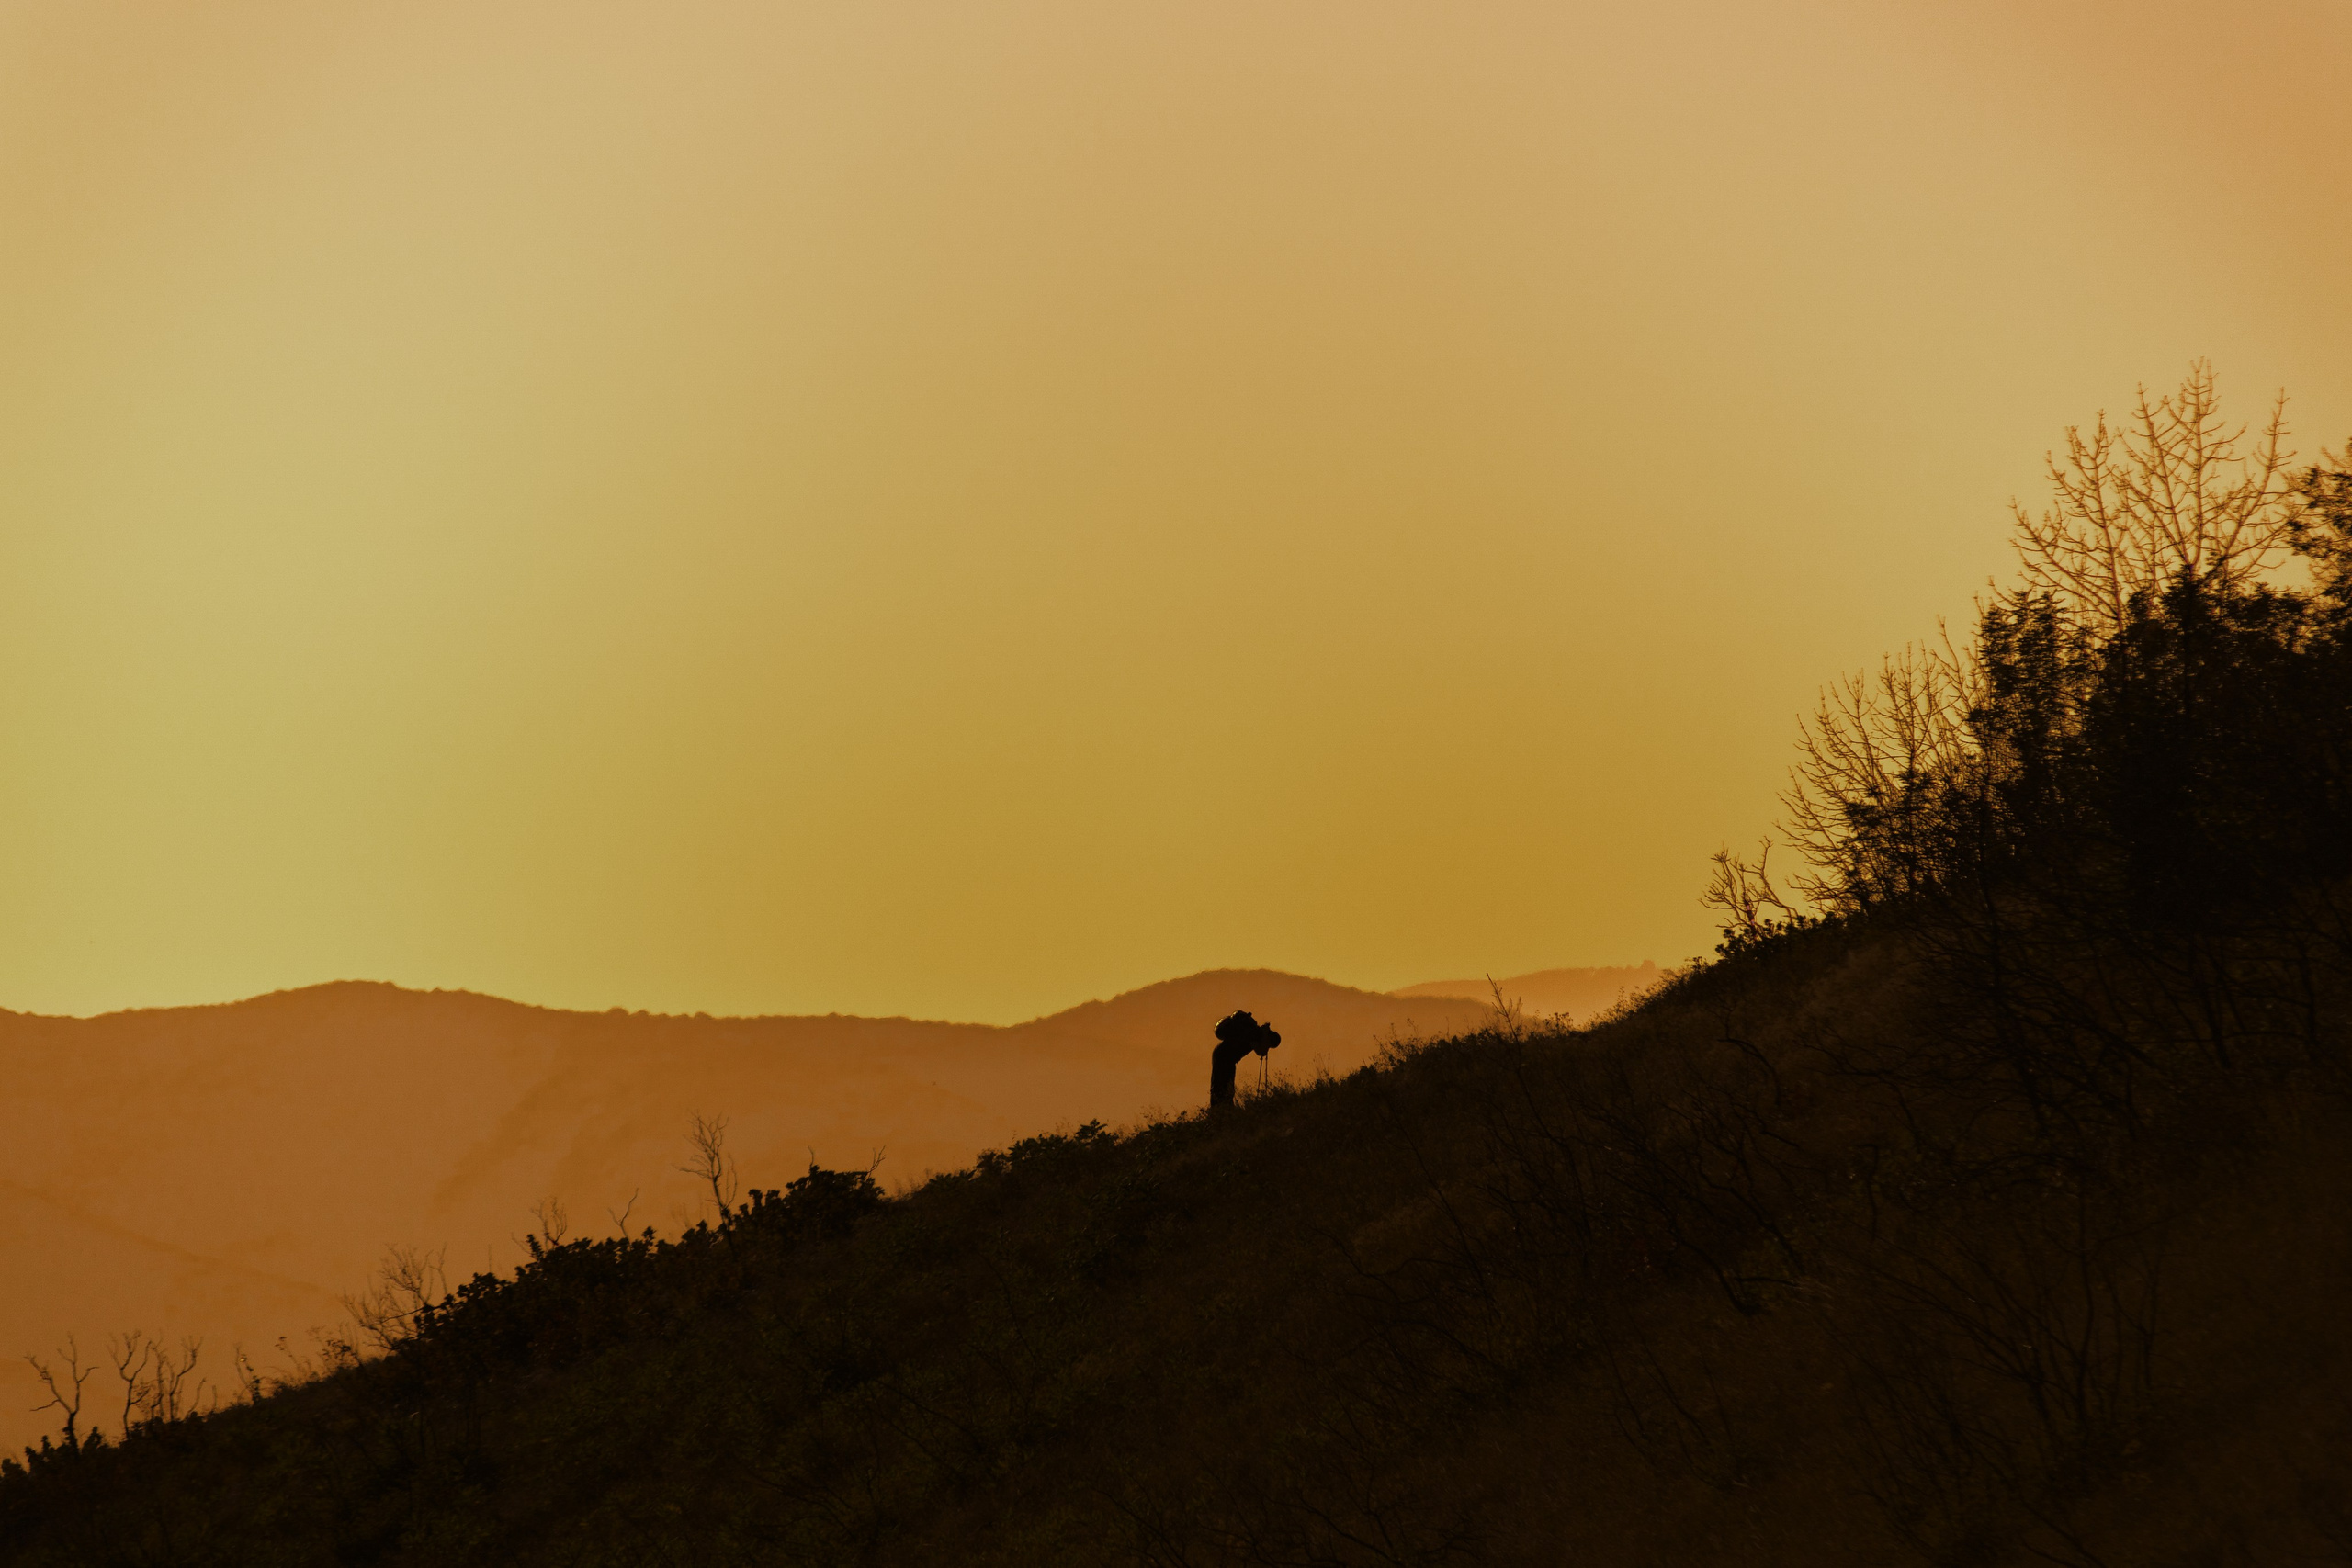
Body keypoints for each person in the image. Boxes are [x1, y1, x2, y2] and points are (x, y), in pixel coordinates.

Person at [1209, 1010, 1281, 1110]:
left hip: (1225, 1057)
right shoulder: (1253, 1034)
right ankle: (1219, 1110)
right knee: (1221, 1084)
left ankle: (1223, 1109)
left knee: (1225, 1084)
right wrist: (1264, 1039)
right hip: (1224, 1057)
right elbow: (1261, 1052)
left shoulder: (1255, 1033)